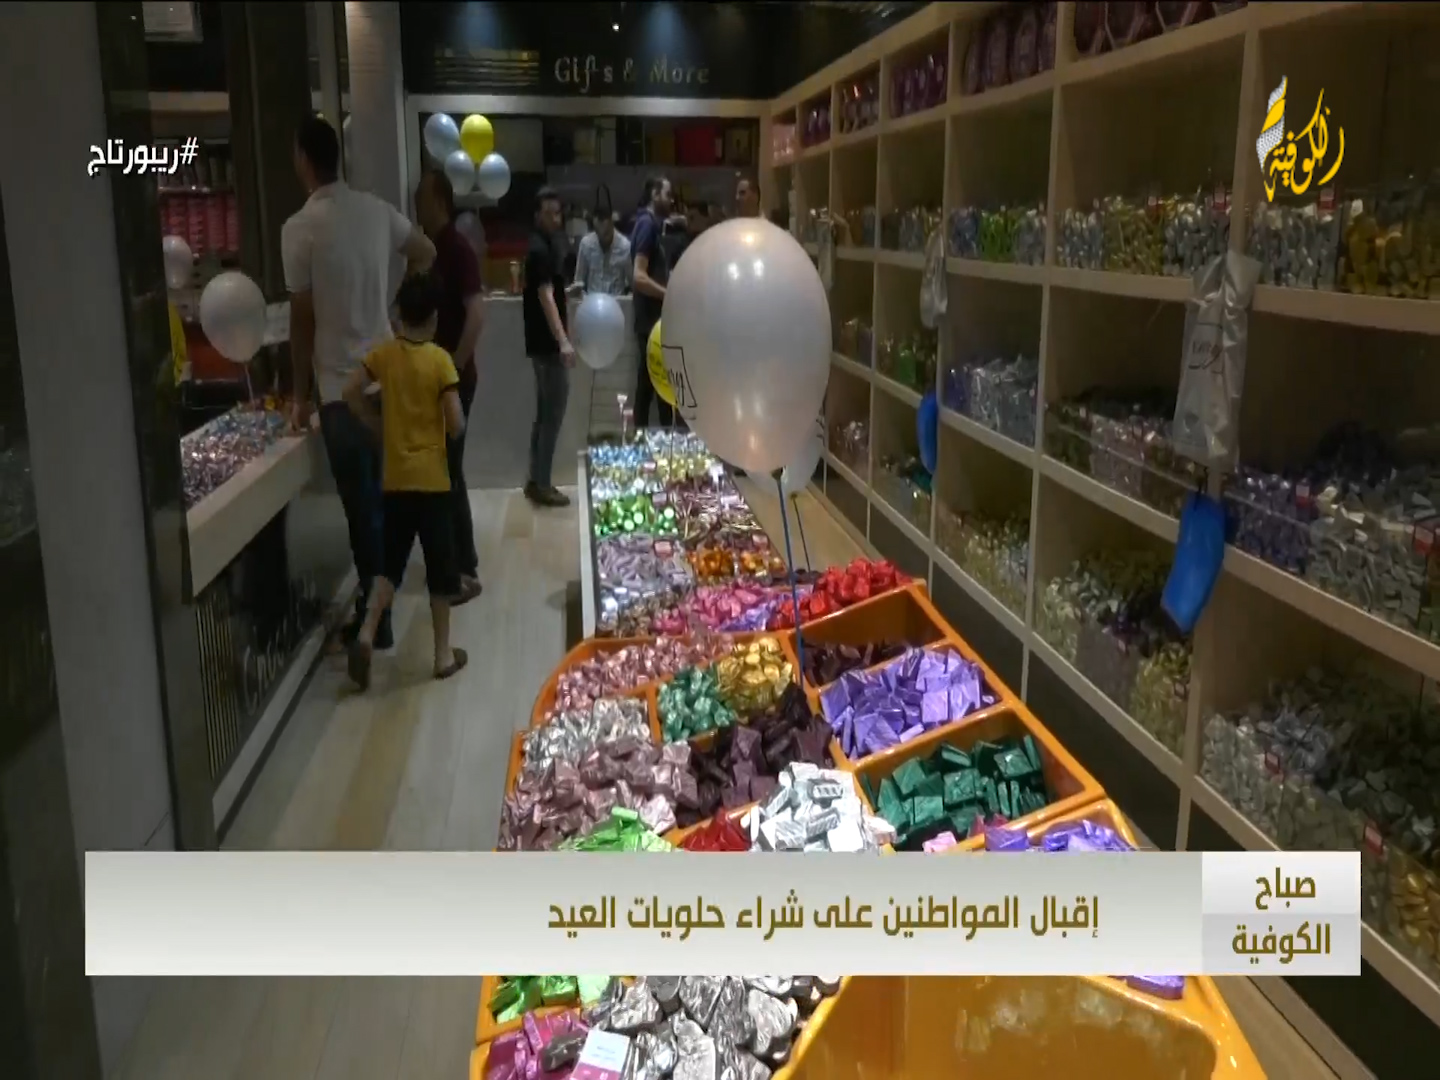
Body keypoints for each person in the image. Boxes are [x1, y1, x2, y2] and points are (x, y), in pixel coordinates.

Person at [283, 114, 436, 650]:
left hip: (339, 392)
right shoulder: (376, 211)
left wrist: (298, 396)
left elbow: (301, 320)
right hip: (387, 380)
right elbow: (425, 252)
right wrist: (395, 309)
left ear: (304, 160)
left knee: (363, 511)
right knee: (389, 503)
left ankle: (377, 621)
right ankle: (381, 611)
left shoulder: (300, 229)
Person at [342, 272, 468, 688]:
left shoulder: (385, 356)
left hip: (395, 479)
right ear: (433, 318)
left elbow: (350, 391)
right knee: (440, 570)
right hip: (432, 482)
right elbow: (455, 423)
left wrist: (376, 425)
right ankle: (443, 655)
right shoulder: (439, 361)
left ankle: (366, 633)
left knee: (389, 566)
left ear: (400, 315)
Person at [415, 170, 484, 606]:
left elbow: (477, 314)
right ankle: (459, 562)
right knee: (446, 471)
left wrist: (453, 370)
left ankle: (463, 567)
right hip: (438, 381)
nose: (416, 204)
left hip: (453, 382)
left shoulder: (455, 248)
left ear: (439, 200)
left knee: (448, 472)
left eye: (421, 197)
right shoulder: (429, 249)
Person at [523, 187, 576, 508]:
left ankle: (536, 479)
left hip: (540, 346)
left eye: (558, 213)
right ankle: (541, 484)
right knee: (551, 417)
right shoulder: (540, 249)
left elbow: (550, 291)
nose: (556, 219)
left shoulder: (541, 246)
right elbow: (545, 296)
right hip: (547, 347)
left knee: (544, 416)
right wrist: (563, 341)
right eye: (549, 213)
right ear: (537, 215)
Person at [630, 176, 673, 428]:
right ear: (655, 194)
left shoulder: (648, 224)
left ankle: (644, 440)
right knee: (656, 387)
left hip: (649, 321)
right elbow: (639, 276)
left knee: (649, 386)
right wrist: (668, 294)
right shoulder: (647, 225)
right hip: (650, 322)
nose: (671, 200)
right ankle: (656, 441)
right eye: (667, 194)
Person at [572, 207, 631, 295]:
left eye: (606, 233)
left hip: (616, 300)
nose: (602, 237)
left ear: (612, 225)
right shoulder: (586, 244)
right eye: (598, 233)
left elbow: (632, 283)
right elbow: (579, 280)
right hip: (592, 299)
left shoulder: (625, 246)